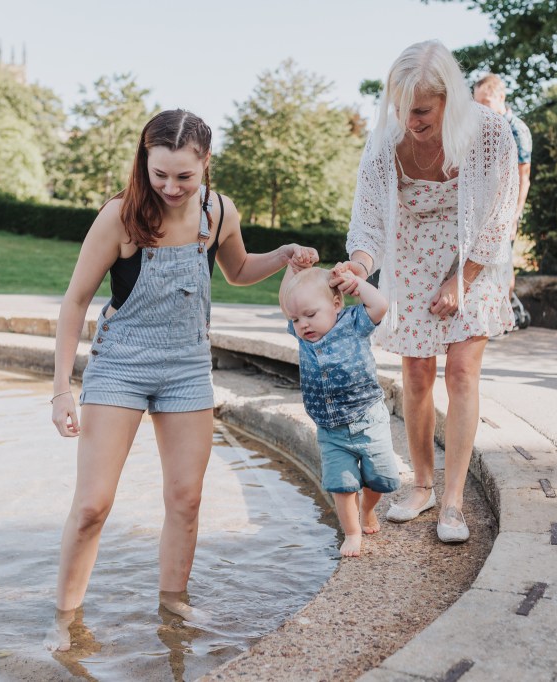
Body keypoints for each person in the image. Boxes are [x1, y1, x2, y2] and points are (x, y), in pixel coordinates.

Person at [46, 109, 318, 651]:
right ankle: (64, 619)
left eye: (184, 176)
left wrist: (284, 255)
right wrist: (60, 389)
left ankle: (173, 606)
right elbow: (75, 300)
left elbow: (237, 270)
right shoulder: (120, 216)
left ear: (206, 162)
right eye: (160, 174)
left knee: (186, 498)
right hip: (121, 365)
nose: (170, 187)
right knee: (93, 505)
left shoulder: (219, 212)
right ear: (144, 162)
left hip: (187, 367)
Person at [336, 40, 518, 543]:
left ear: (449, 100)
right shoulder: (385, 143)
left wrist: (463, 279)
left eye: (421, 111)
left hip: (474, 253)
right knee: (417, 372)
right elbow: (369, 222)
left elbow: (500, 215)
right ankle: (422, 485)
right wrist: (358, 267)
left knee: (461, 369)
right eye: (401, 109)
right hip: (412, 251)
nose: (409, 121)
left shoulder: (490, 132)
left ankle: (454, 501)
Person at [279, 265, 400, 558]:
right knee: (342, 486)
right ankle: (352, 532)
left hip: (368, 420)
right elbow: (286, 303)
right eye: (296, 319)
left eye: (310, 314)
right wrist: (291, 271)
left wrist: (356, 282)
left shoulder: (353, 322)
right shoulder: (303, 336)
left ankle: (367, 509)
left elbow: (380, 305)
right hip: (331, 430)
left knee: (380, 480)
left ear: (336, 304)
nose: (303, 324)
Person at [472, 73, 532, 301]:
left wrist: (514, 216)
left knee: (504, 261)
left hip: (506, 209)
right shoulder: (480, 129)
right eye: (476, 104)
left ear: (501, 98)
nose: (480, 109)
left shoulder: (517, 130)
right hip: (482, 208)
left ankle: (506, 311)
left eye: (485, 103)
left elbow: (523, 177)